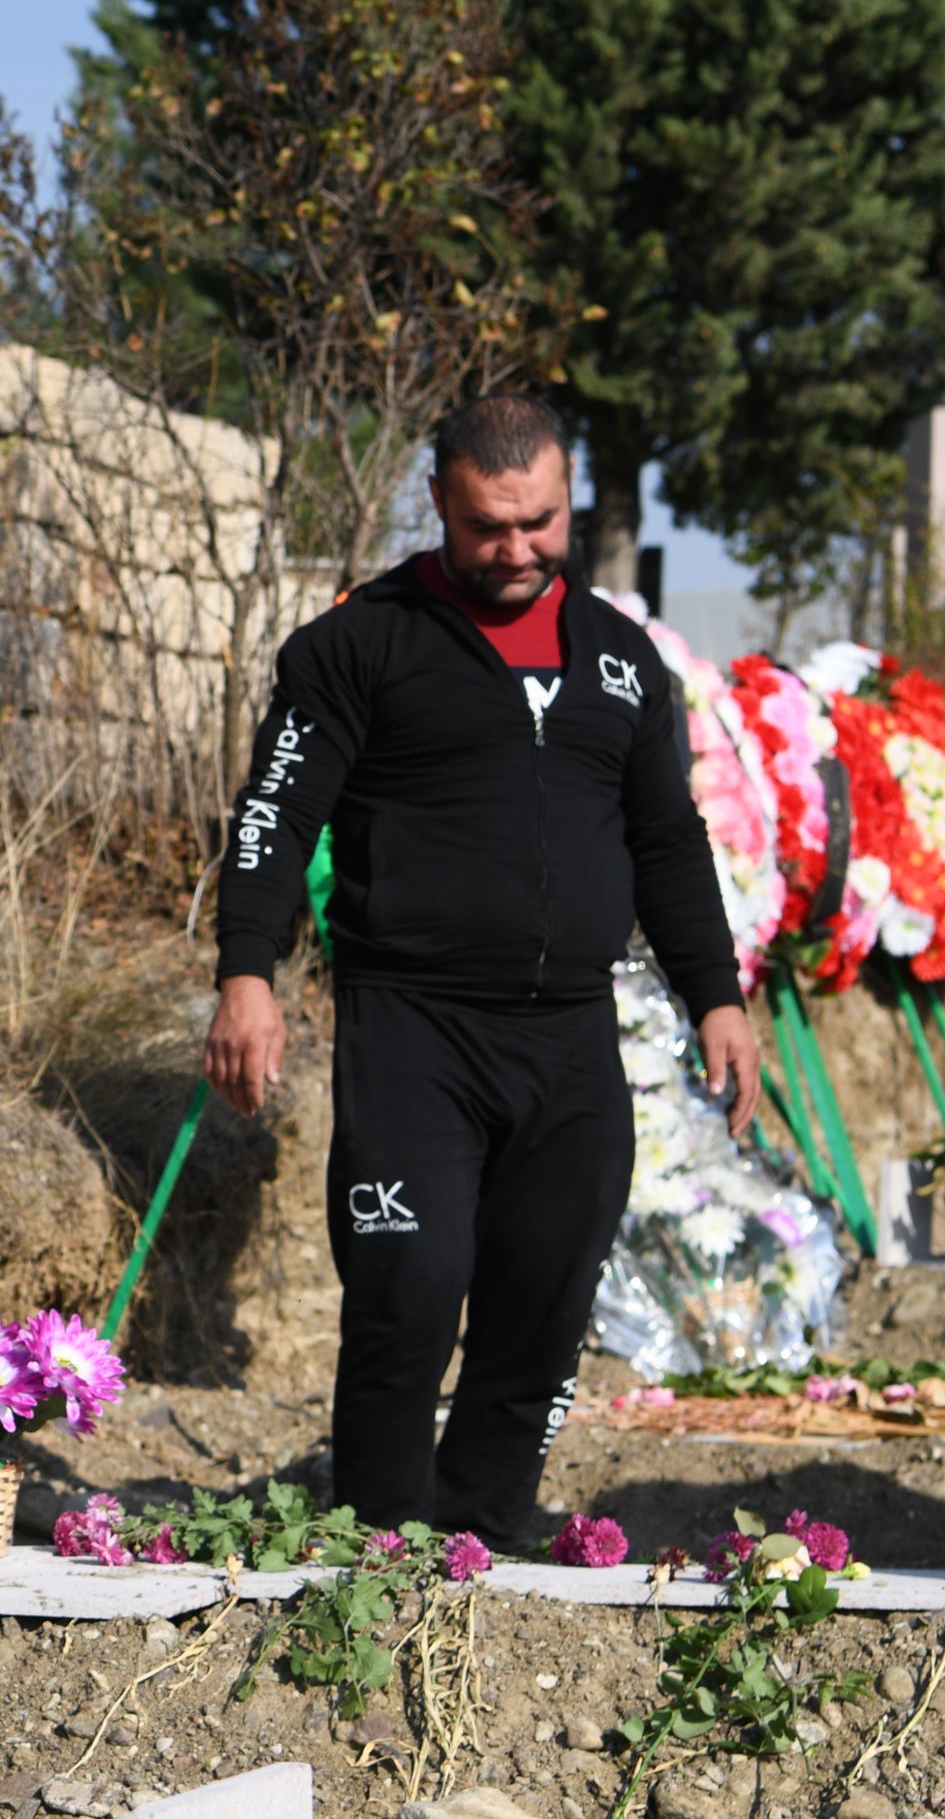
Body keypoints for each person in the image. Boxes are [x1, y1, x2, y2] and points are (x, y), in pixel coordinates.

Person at [205, 391, 763, 1550]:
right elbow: (275, 812)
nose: (515, 551)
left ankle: (484, 1523)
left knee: (545, 1301)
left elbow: (666, 839)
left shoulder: (620, 660)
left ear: (569, 501)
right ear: (438, 505)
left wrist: (716, 994)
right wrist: (245, 974)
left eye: (539, 523)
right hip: (412, 1030)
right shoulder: (355, 644)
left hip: (568, 1036)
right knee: (408, 1291)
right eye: (486, 527)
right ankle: (373, 1535)